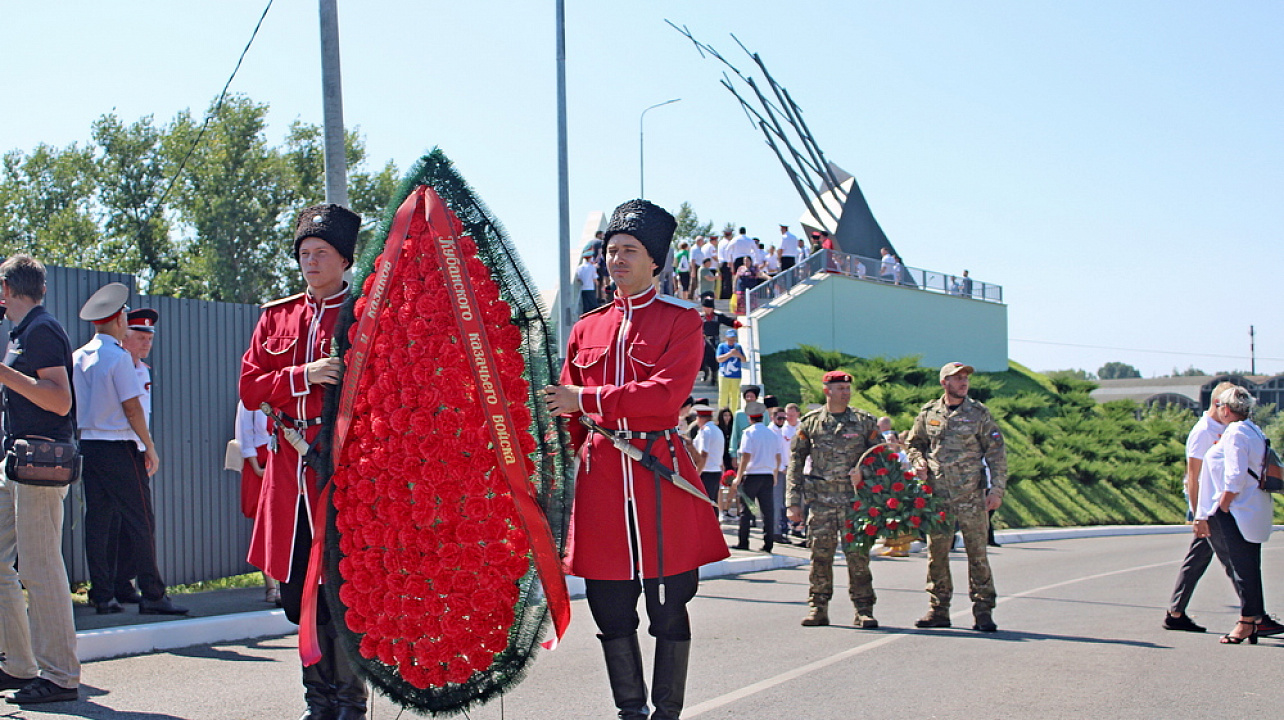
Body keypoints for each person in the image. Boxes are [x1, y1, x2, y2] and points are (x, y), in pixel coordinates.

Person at [543, 199, 728, 720]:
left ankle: (666, 712)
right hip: (601, 478)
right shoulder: (586, 328)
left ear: (656, 262)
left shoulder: (681, 322)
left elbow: (662, 398)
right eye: (611, 250)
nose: (616, 259)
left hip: (660, 477)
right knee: (611, 611)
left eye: (629, 250)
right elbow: (567, 412)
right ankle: (631, 712)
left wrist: (586, 401)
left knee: (669, 611)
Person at [240, 203, 368, 719]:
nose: (311, 263)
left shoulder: (365, 316)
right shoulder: (277, 316)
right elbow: (250, 388)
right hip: (290, 477)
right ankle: (318, 703)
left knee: (345, 595)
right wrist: (303, 376)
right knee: (299, 598)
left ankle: (349, 704)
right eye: (304, 254)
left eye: (322, 254)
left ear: (345, 260)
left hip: (346, 475)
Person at [73, 283, 187, 619]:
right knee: (141, 521)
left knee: (98, 521)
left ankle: (103, 593)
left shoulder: (79, 356)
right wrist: (149, 446)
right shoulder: (118, 358)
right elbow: (132, 409)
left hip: (89, 444)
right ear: (118, 319)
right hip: (120, 445)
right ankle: (153, 592)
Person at [0, 254, 81, 704]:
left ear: (7, 289)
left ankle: (61, 676)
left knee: (40, 567)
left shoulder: (41, 330)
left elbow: (59, 401)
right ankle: (17, 663)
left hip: (40, 463)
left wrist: (4, 373)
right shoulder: (21, 332)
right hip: (16, 461)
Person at [905, 362, 1006, 633]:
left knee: (977, 554)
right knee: (936, 554)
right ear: (944, 383)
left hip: (971, 495)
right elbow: (915, 443)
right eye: (957, 378)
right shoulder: (929, 413)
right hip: (938, 495)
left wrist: (996, 490)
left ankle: (983, 611)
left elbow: (996, 453)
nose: (963, 382)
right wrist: (917, 461)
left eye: (965, 378)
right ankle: (938, 609)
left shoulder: (979, 413)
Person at [786, 370, 883, 628]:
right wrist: (793, 503)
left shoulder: (864, 422)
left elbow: (882, 459)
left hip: (854, 502)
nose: (846, 393)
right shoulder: (811, 423)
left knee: (858, 557)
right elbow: (795, 464)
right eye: (840, 389)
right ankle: (818, 607)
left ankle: (864, 609)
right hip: (821, 502)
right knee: (820, 556)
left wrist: (865, 473)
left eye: (848, 389)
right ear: (827, 391)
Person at [1192, 386, 1274, 644]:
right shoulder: (1252, 429)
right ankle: (1253, 620)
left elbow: (1235, 475)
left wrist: (1223, 505)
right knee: (1248, 567)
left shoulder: (1236, 432)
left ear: (1226, 409)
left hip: (1236, 510)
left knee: (1243, 568)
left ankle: (1246, 622)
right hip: (1250, 507)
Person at [1165, 381, 1237, 632]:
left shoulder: (1223, 427)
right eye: (1229, 406)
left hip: (1213, 502)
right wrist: (1198, 514)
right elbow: (1192, 476)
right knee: (1233, 557)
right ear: (1217, 404)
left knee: (1198, 558)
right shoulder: (1204, 431)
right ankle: (1255, 616)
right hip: (1207, 505)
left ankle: (1175, 612)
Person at [111, 308, 159, 607]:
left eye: (149, 338)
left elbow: (145, 414)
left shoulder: (143, 370)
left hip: (137, 447)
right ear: (124, 337)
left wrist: (146, 447)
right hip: (117, 446)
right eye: (139, 337)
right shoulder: (118, 366)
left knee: (134, 522)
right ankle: (112, 584)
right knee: (118, 521)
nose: (146, 343)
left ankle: (123, 581)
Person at [234, 401, 280, 605]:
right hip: (260, 464)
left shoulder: (287, 391)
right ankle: (272, 587)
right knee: (264, 527)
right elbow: (244, 436)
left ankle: (291, 583)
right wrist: (257, 467)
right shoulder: (249, 399)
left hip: (285, 459)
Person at [731, 401, 779, 553]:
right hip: (768, 474)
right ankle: (768, 543)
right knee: (768, 511)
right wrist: (775, 474)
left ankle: (743, 541)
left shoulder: (749, 433)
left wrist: (738, 476)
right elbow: (777, 456)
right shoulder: (771, 433)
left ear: (749, 417)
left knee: (746, 510)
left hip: (752, 475)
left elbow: (746, 456)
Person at [691, 403, 725, 515]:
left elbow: (703, 454)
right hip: (715, 470)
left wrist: (697, 473)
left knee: (705, 503)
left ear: (700, 418)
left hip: (707, 471)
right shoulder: (716, 430)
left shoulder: (705, 431)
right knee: (711, 502)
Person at [698, 297, 736, 385]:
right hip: (703, 340)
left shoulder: (718, 316)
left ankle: (714, 378)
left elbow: (729, 321)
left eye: (709, 308)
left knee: (715, 359)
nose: (708, 310)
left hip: (714, 340)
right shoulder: (700, 317)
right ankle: (705, 371)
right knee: (701, 358)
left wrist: (739, 324)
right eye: (706, 307)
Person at [715, 329, 746, 413]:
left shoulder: (738, 347)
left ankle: (733, 413)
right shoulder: (722, 346)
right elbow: (719, 359)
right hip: (724, 374)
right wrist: (729, 354)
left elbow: (744, 360)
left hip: (736, 375)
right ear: (726, 338)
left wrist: (738, 354)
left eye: (733, 339)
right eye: (730, 339)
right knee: (723, 395)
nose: (731, 341)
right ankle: (722, 412)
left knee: (734, 396)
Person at [576, 250, 600, 315]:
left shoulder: (579, 268)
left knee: (585, 305)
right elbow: (594, 278)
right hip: (590, 287)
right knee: (593, 304)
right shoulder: (592, 267)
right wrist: (597, 284)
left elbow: (579, 278)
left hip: (583, 288)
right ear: (590, 258)